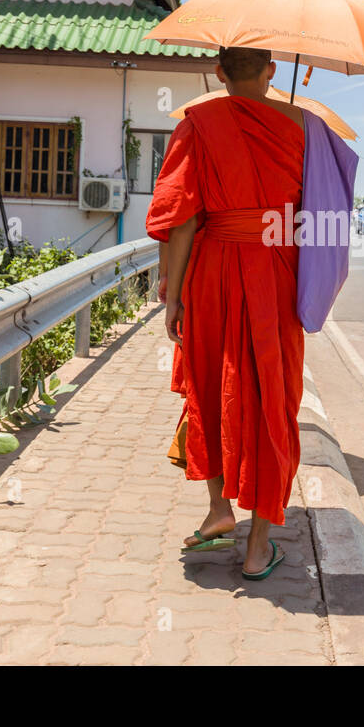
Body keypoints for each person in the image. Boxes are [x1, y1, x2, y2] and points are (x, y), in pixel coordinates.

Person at [145, 46, 306, 580]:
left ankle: (219, 509)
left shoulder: (199, 122)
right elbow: (324, 214)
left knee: (213, 385)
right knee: (270, 397)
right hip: (276, 277)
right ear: (271, 70)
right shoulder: (305, 127)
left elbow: (182, 217)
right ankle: (258, 548)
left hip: (211, 273)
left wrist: (173, 294)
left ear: (219, 72)